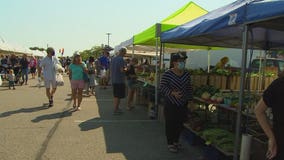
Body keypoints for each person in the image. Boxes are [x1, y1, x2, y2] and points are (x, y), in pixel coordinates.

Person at [160, 52, 193, 153]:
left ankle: (176, 141)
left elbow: (189, 87)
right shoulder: (167, 74)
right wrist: (172, 93)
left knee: (180, 123)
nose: (182, 63)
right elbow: (162, 87)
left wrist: (190, 100)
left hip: (183, 103)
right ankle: (170, 143)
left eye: (183, 61)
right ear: (174, 63)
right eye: (180, 61)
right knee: (171, 123)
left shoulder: (186, 74)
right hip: (171, 103)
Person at [254, 71, 284, 160]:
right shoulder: (279, 85)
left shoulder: (278, 84)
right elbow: (258, 111)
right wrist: (271, 138)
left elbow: (258, 111)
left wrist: (271, 137)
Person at [110, 47, 127, 115]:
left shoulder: (113, 59)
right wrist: (127, 69)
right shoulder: (121, 59)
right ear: (122, 52)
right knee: (118, 96)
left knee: (116, 95)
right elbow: (122, 70)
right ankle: (116, 109)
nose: (125, 54)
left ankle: (117, 108)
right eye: (125, 53)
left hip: (114, 79)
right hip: (119, 80)